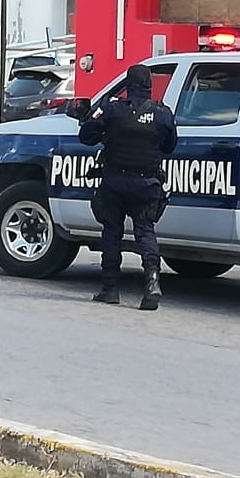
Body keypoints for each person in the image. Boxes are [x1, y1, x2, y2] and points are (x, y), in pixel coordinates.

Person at [78, 64, 177, 310]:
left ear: (128, 85)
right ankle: (152, 284)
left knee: (112, 232)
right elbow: (169, 146)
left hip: (114, 182)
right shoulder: (162, 113)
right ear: (150, 85)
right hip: (146, 183)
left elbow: (86, 135)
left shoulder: (112, 109)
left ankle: (110, 289)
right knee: (145, 231)